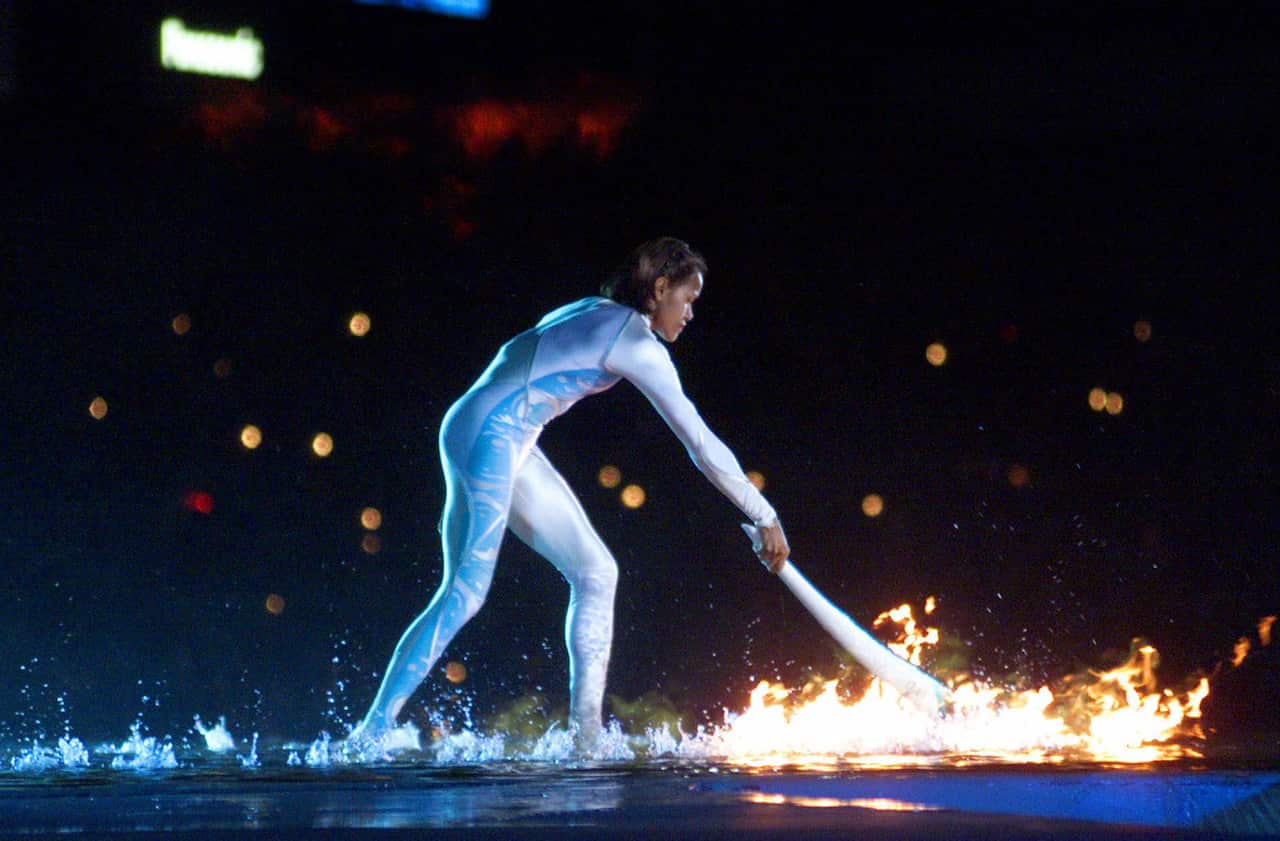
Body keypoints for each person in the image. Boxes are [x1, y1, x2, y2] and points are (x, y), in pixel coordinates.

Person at [350, 237, 789, 750]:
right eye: (687, 299)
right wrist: (764, 514)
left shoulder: (594, 310)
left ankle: (586, 741)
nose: (691, 313)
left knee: (597, 573)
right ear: (660, 288)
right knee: (465, 592)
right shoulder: (634, 341)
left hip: (500, 435)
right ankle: (370, 732)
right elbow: (700, 443)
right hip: (490, 434)